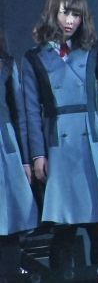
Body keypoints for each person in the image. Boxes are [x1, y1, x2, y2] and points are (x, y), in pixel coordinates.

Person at [22, 0, 98, 268]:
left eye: (77, 14)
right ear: (53, 13)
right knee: (63, 227)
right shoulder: (34, 58)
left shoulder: (94, 50)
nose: (71, 21)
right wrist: (38, 154)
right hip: (58, 143)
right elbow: (31, 111)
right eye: (66, 13)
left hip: (92, 139)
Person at [0, 30, 38, 278]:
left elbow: (19, 114)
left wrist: (25, 159)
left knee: (8, 224)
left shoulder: (5, 64)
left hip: (5, 151)